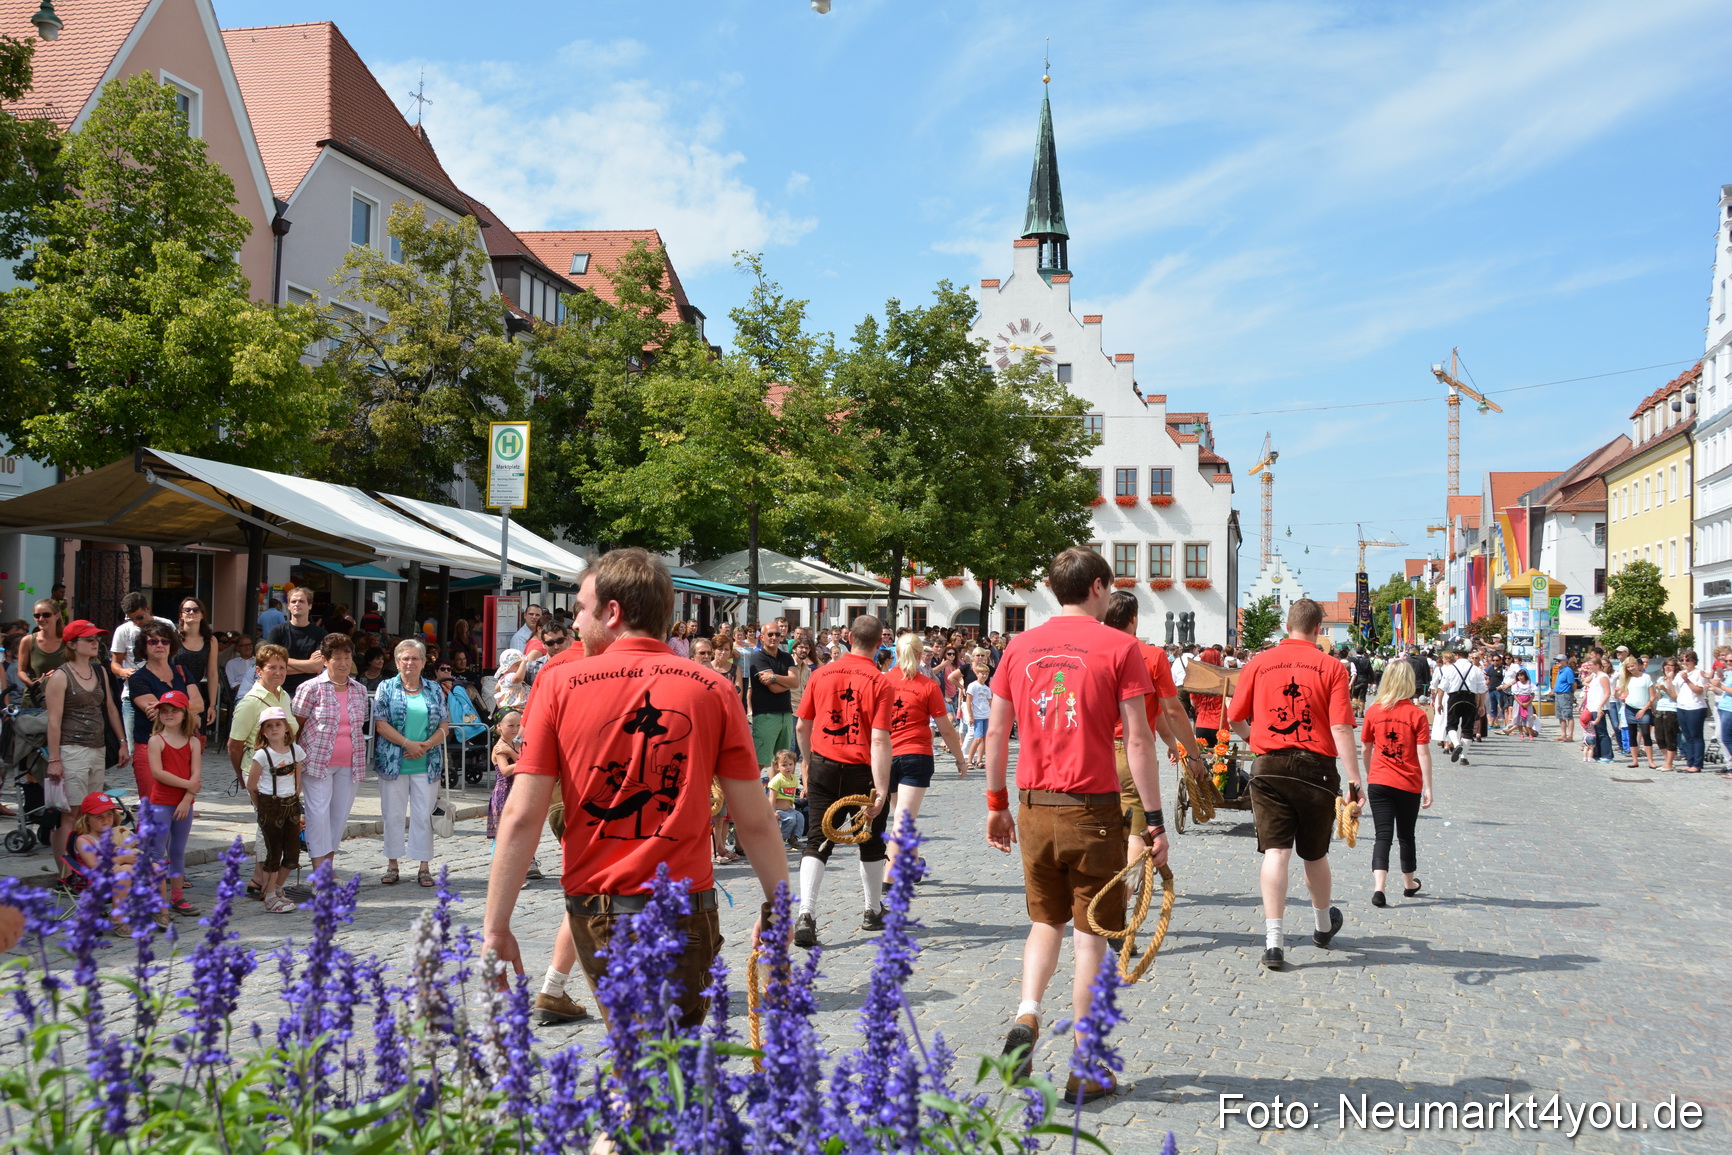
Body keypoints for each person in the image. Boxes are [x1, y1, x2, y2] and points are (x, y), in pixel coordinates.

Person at [482, 548, 788, 1030]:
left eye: (582, 609)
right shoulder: (713, 689)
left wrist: (495, 927)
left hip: (598, 910)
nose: (576, 622)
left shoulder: (559, 683)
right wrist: (779, 908)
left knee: (643, 1067)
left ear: (613, 611)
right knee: (671, 1070)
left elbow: (521, 815)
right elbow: (755, 819)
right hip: (687, 908)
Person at [983, 548, 1165, 1105]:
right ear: (1098, 587)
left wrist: (996, 803)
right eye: (1108, 589)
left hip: (1035, 806)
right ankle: (1085, 1066)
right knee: (1091, 936)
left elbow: (996, 733)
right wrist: (1154, 821)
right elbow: (1137, 740)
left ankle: (1028, 1013)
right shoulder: (1121, 647)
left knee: (1045, 921)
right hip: (1094, 811)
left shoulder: (1018, 645)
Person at [1227, 597, 1358, 972]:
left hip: (1269, 766)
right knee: (1314, 853)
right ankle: (1321, 926)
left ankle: (1273, 940)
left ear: (1286, 626)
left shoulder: (1258, 662)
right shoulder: (1332, 667)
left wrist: (1256, 741)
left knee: (1276, 852)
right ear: (1319, 629)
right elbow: (1341, 727)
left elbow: (1234, 717)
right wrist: (1354, 779)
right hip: (1316, 768)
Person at [792, 614, 894, 948]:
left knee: (817, 839)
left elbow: (801, 727)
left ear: (848, 636)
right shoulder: (880, 681)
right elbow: (879, 739)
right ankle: (872, 910)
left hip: (823, 764)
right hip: (862, 768)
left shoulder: (819, 675)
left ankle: (806, 913)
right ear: (880, 643)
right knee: (870, 839)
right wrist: (880, 789)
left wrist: (807, 765)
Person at [1101, 591, 1204, 870]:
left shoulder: (1093, 651)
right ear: (1134, 620)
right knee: (1136, 827)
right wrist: (1191, 754)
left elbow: (1155, 713)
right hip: (1129, 749)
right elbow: (1168, 710)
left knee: (1100, 825)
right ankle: (1124, 896)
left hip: (1093, 749)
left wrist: (1170, 742)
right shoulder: (1150, 655)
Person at [43, 620, 129, 874]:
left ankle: (90, 869)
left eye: (96, 639)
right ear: (72, 644)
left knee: (92, 813)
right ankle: (66, 874)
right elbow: (53, 721)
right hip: (71, 749)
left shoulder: (99, 671)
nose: (95, 643)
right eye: (89, 639)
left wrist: (122, 742)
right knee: (71, 814)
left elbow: (111, 709)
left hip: (98, 748)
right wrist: (54, 759)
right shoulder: (60, 676)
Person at [882, 632, 967, 880]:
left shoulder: (881, 681)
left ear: (896, 653)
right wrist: (960, 759)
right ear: (921, 655)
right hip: (915, 755)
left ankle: (915, 863)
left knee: (900, 815)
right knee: (902, 819)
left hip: (886, 755)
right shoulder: (928, 686)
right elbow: (946, 729)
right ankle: (889, 880)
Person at [291, 634, 371, 876]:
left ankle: (328, 863)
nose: (343, 663)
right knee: (317, 815)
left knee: (338, 817)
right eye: (337, 658)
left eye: (347, 658)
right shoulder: (310, 688)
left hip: (350, 763)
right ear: (325, 660)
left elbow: (359, 726)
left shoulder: (359, 690)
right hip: (317, 763)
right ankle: (319, 871)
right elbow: (297, 725)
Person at [373, 639, 450, 888]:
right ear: (396, 662)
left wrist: (425, 745)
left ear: (424, 662)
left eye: (415, 658)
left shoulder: (434, 689)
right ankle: (392, 864)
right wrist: (408, 744)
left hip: (426, 762)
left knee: (422, 816)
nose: (410, 663)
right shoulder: (386, 687)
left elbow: (444, 725)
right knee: (393, 815)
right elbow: (381, 724)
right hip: (394, 762)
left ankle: (424, 866)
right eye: (405, 658)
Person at [1358, 662, 1431, 908]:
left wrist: (1371, 775)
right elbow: (1423, 754)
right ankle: (1409, 884)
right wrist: (1428, 786)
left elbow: (1366, 748)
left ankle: (1379, 888)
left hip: (1379, 780)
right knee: (1406, 835)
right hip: (1408, 782)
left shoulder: (1374, 711)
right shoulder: (1417, 714)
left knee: (1382, 835)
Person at [143, 689, 202, 916]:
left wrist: (187, 799)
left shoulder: (193, 742)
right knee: (157, 851)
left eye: (174, 710)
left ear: (184, 713)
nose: (169, 714)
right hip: (161, 803)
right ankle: (156, 899)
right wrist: (187, 785)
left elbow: (196, 774)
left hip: (183, 804)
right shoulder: (156, 740)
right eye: (164, 711)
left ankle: (177, 897)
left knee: (177, 850)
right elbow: (158, 773)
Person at [127, 622, 201, 798]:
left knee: (179, 807)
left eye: (165, 641)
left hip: (182, 747)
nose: (159, 645)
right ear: (144, 647)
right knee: (153, 806)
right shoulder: (138, 679)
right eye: (153, 641)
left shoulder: (182, 671)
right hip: (150, 746)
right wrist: (189, 713)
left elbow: (199, 704)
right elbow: (159, 715)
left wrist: (171, 708)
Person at [247, 707, 304, 913]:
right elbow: (252, 785)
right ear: (263, 731)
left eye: (278, 724)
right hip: (270, 806)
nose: (274, 729)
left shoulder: (295, 750)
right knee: (273, 853)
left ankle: (277, 888)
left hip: (291, 805)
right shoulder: (262, 756)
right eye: (269, 726)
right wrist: (262, 805)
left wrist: (296, 796)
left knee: (292, 854)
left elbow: (298, 777)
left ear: (286, 728)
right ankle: (269, 895)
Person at [71, 793, 150, 930]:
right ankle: (117, 917)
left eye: (109, 815)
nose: (106, 820)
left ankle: (160, 912)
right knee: (125, 871)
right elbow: (94, 866)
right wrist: (123, 859)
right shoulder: (84, 840)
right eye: (99, 816)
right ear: (87, 819)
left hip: (121, 875)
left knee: (154, 866)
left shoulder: (115, 835)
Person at [109, 592, 175, 747]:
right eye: (130, 619)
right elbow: (114, 664)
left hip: (162, 690)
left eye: (139, 617)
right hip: (132, 694)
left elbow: (172, 656)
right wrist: (123, 672)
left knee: (167, 745)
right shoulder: (123, 631)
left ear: (147, 608)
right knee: (137, 748)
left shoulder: (165, 625)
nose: (136, 622)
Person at [745, 619, 798, 774]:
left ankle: (774, 796)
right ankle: (752, 796)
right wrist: (786, 681)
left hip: (786, 713)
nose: (774, 637)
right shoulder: (758, 658)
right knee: (761, 762)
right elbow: (775, 689)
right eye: (770, 634)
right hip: (766, 715)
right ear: (762, 637)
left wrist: (774, 677)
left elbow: (795, 682)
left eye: (777, 634)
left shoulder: (787, 657)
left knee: (782, 762)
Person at [266, 587, 328, 696]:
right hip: (280, 692)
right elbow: (272, 666)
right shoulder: (277, 631)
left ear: (310, 606)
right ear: (289, 606)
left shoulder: (321, 634)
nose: (297, 604)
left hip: (311, 692)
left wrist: (283, 662)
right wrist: (309, 665)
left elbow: (317, 667)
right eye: (293, 601)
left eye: (301, 601)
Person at [172, 597, 220, 731]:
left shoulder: (210, 641)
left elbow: (212, 673)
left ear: (202, 614)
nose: (191, 612)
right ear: (181, 614)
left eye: (196, 610)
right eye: (187, 610)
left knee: (195, 738)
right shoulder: (173, 637)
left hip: (196, 694)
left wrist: (212, 705)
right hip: (174, 690)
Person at [1434, 646, 1486, 766]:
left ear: (1456, 655)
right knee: (1467, 729)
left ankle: (1456, 744)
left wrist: (1439, 703)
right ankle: (1464, 757)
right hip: (1470, 698)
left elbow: (1441, 688)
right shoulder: (1475, 669)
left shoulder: (1450, 669)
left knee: (1451, 725)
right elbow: (1482, 690)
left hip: (1454, 698)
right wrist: (1482, 706)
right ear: (1467, 655)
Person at [17, 598, 69, 707]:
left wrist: (60, 674)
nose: (41, 619)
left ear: (57, 616)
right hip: (34, 699)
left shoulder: (67, 641)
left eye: (46, 615)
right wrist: (31, 684)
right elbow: (21, 671)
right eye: (37, 616)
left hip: (61, 698)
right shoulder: (28, 641)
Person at [1673, 651, 1710, 772]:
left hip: (1696, 707)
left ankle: (1697, 764)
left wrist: (1687, 680)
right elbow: (1675, 690)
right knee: (1687, 736)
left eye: (1687, 660)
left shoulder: (1698, 673)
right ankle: (1690, 761)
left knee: (1696, 736)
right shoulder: (1680, 674)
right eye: (1682, 660)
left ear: (1694, 661)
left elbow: (1699, 691)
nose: (1684, 663)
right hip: (1682, 706)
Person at [959, 649, 995, 769]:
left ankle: (979, 760)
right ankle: (969, 759)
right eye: (982, 674)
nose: (984, 676)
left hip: (986, 715)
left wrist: (993, 715)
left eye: (986, 674)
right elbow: (968, 701)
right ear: (977, 674)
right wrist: (971, 716)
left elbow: (990, 702)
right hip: (977, 715)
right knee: (977, 738)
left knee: (984, 738)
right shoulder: (973, 685)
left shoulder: (987, 688)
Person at [1618, 658, 1655, 769]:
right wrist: (1619, 693)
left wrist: (1644, 709)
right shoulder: (1627, 679)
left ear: (1637, 665)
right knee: (1632, 734)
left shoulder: (1646, 677)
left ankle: (1650, 761)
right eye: (1628, 667)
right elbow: (1622, 694)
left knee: (1646, 734)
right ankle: (1635, 760)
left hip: (1644, 708)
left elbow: (1652, 696)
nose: (1631, 669)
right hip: (1630, 708)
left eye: (1632, 666)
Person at [767, 748, 805, 847]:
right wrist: (772, 811)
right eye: (784, 765)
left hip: (789, 809)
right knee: (790, 819)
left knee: (800, 817)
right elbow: (772, 796)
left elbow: (792, 793)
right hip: (779, 810)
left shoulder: (794, 779)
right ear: (777, 766)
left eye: (790, 764)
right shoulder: (777, 779)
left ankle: (794, 838)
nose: (788, 767)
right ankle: (782, 838)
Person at [1581, 655, 1615, 764]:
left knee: (1601, 731)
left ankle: (1607, 754)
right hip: (1592, 706)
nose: (1589, 667)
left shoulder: (1603, 676)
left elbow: (1607, 692)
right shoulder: (1595, 676)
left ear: (1597, 665)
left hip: (1599, 707)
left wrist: (1601, 706)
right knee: (1594, 731)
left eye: (1591, 665)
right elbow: (1585, 681)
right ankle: (1597, 753)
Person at [224, 632, 258, 705]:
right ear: (238, 648)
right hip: (241, 696)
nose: (248, 647)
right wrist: (245, 688)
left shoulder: (258, 662)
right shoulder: (231, 663)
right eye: (244, 645)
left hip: (259, 694)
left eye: (249, 644)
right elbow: (232, 683)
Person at [1551, 658, 1577, 743]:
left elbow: (1573, 684)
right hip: (1558, 695)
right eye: (1556, 661)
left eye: (1559, 661)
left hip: (1565, 695)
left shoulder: (1568, 671)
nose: (1557, 662)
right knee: (1560, 716)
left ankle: (1570, 735)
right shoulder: (1560, 670)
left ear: (1565, 661)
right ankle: (1563, 734)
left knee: (1568, 715)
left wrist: (1571, 694)